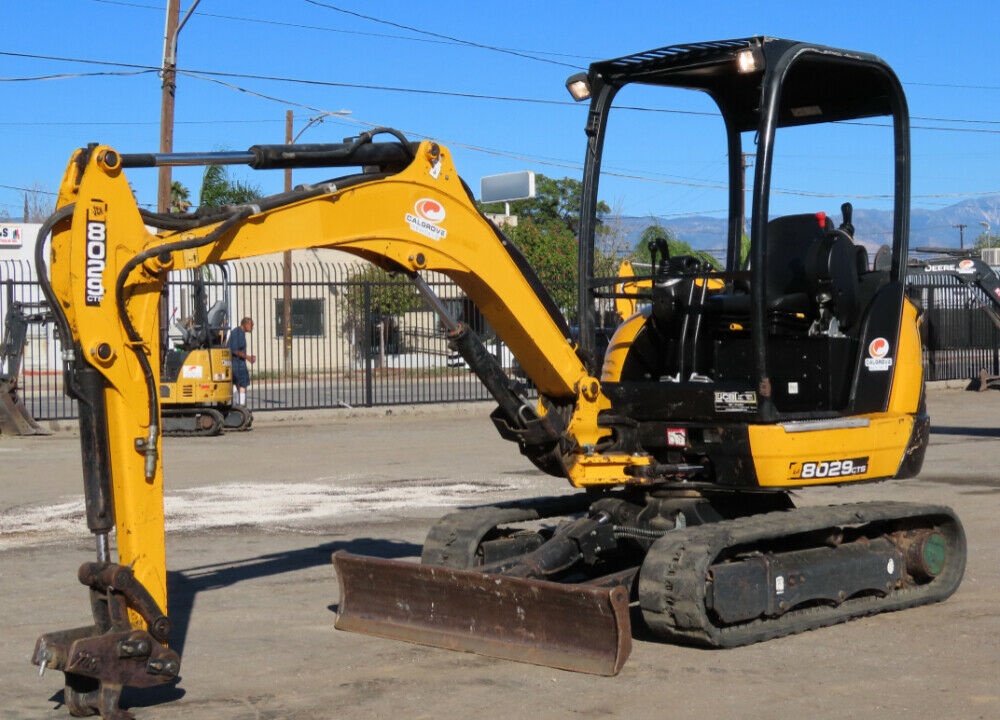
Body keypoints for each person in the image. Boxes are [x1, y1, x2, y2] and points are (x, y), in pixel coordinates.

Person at [228, 316, 256, 406]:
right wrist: (248, 357)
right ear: (245, 324)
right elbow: (235, 350)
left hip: (238, 362)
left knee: (239, 384)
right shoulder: (237, 333)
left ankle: (239, 404)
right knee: (242, 383)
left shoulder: (240, 332)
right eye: (251, 325)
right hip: (237, 363)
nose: (252, 327)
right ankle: (241, 405)